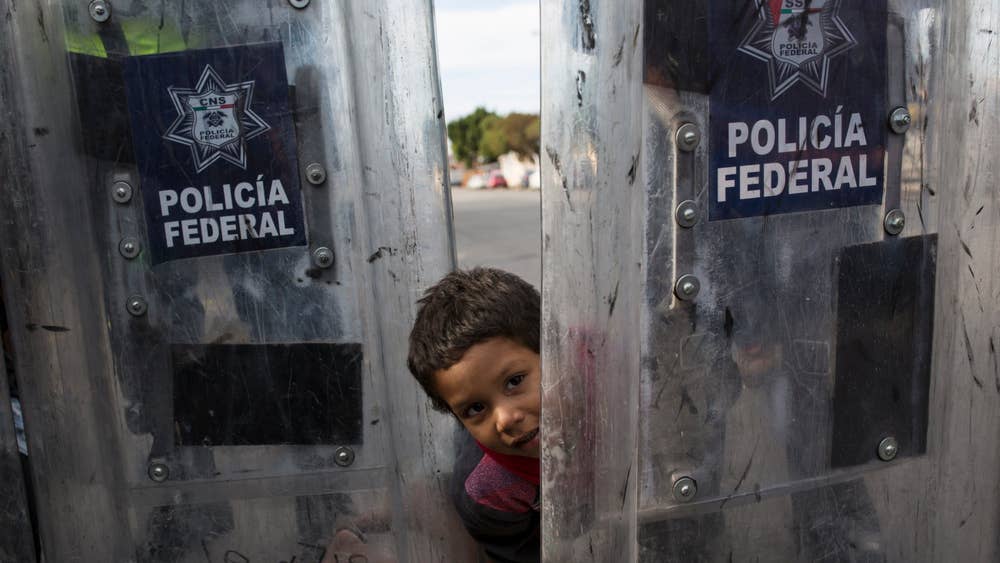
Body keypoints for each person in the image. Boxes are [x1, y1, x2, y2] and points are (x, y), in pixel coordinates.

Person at [407, 268, 541, 563]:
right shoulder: (487, 491)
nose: (505, 418)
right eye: (475, 409)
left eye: (515, 381)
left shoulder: (603, 369)